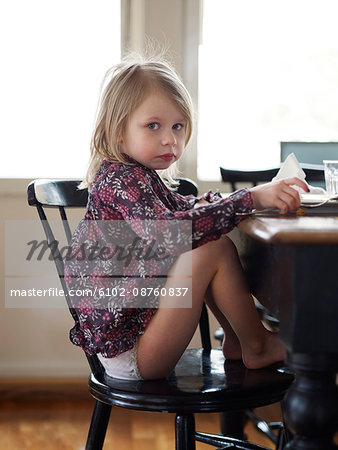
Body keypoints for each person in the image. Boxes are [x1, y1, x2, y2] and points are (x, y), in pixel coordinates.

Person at [64, 55, 309, 381]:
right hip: (133, 354)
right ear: (117, 132)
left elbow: (188, 209)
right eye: (153, 126)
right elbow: (170, 232)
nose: (170, 139)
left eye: (178, 126)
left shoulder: (140, 176)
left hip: (139, 338)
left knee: (208, 240)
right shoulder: (121, 180)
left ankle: (240, 341)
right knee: (211, 247)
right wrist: (248, 198)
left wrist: (245, 199)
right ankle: (257, 344)